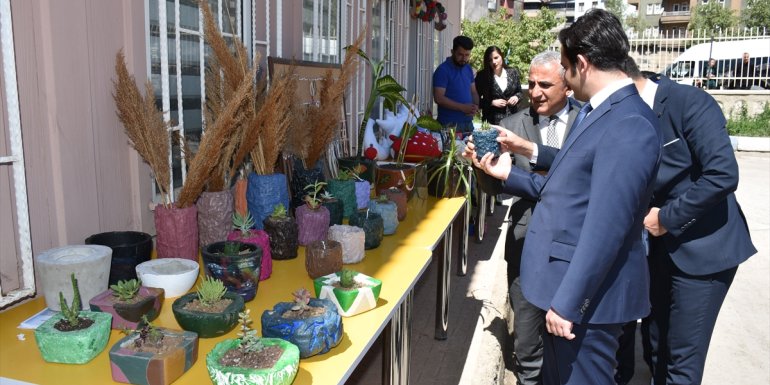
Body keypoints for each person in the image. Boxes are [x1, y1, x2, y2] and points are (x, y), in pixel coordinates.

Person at [470, 9, 661, 384]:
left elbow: (609, 227)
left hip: (583, 305)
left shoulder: (628, 123)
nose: (566, 79)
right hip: (561, 291)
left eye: (565, 67)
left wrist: (570, 303)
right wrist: (513, 165)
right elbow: (576, 175)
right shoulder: (602, 111)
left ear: (583, 64)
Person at [614, 59, 757, 385]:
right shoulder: (626, 117)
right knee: (654, 346)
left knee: (681, 362)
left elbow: (722, 174)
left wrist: (666, 217)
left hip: (705, 253)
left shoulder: (688, 102)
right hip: (659, 251)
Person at [468, 50, 579, 385]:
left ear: (568, 87)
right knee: (528, 343)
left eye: (544, 84)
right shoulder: (512, 124)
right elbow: (496, 187)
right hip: (526, 243)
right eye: (531, 83)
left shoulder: (588, 123)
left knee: (568, 345)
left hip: (575, 248)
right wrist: (480, 168)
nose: (534, 91)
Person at [433, 35, 479, 133]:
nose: (464, 58)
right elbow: (438, 98)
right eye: (460, 54)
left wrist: (476, 106)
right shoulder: (443, 70)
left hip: (468, 123)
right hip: (449, 124)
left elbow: (473, 92)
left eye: (467, 55)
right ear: (452, 52)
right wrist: (463, 108)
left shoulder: (468, 68)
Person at [474, 46, 523, 124]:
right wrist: (491, 102)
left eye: (496, 58)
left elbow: (520, 92)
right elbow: (475, 100)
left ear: (502, 56)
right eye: (490, 60)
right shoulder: (482, 76)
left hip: (513, 119)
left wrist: (516, 97)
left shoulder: (513, 72)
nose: (494, 62)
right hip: (491, 122)